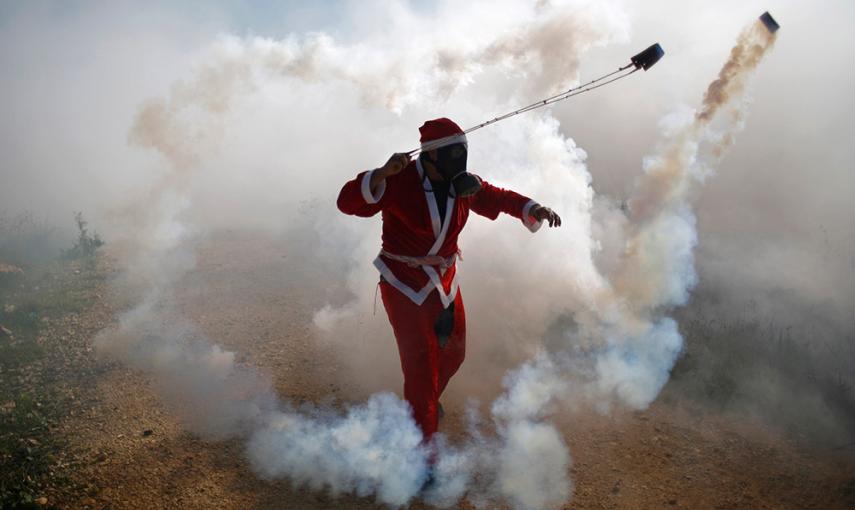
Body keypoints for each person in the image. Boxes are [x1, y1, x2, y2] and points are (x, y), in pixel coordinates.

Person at [337, 118, 561, 443]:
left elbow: (497, 197)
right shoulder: (399, 181)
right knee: (422, 371)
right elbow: (346, 203)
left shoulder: (462, 185)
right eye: (450, 160)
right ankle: (421, 453)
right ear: (429, 158)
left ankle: (422, 404)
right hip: (403, 284)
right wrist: (382, 173)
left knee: (455, 353)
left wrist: (533, 207)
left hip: (444, 280)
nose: (457, 169)